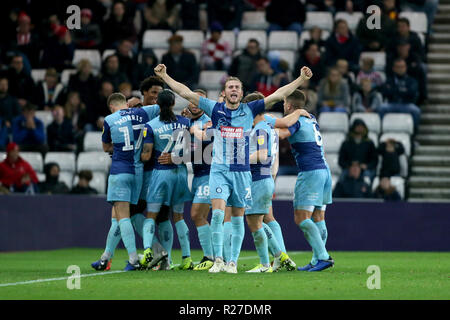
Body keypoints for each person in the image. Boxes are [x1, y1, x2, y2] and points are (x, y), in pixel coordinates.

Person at [155, 62, 313, 274]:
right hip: (219, 170)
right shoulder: (214, 108)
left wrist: (301, 80)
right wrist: (165, 76)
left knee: (238, 218)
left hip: (241, 172)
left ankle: (232, 263)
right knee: (219, 215)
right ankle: (219, 259)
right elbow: (186, 92)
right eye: (230, 87)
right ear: (225, 92)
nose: (234, 90)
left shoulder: (250, 109)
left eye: (237, 87)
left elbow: (277, 94)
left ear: (241, 92)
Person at [92, 92, 162, 271]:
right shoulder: (143, 113)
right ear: (125, 103)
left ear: (112, 107)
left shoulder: (109, 119)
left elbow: (106, 147)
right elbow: (163, 105)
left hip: (120, 170)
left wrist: (118, 148)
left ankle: (132, 259)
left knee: (123, 217)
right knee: (121, 216)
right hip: (137, 173)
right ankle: (105, 257)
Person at [274, 89, 334, 272]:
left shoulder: (297, 120)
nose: (283, 106)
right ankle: (317, 259)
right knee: (318, 217)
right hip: (324, 171)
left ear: (290, 105)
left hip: (310, 173)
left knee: (301, 218)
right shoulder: (311, 117)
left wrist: (260, 127)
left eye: (284, 103)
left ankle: (323, 257)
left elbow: (282, 134)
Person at [243, 92, 297, 273]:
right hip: (265, 176)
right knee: (262, 218)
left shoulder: (260, 128)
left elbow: (263, 154)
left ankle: (267, 263)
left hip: (259, 178)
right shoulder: (266, 125)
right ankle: (280, 256)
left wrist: (239, 159)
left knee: (256, 221)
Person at [140, 90, 193, 270]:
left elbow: (146, 155)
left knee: (152, 215)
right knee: (178, 216)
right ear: (173, 103)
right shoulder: (185, 123)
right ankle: (185, 258)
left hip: (161, 173)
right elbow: (188, 153)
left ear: (158, 104)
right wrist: (175, 157)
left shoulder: (150, 125)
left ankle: (148, 250)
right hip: (180, 172)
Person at [378, 58, 421, 132]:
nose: (400, 69)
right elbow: (385, 92)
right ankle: (381, 131)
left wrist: (396, 90)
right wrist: (403, 91)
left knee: (416, 111)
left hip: (406, 104)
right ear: (394, 68)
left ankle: (414, 133)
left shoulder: (411, 80)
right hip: (392, 104)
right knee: (381, 108)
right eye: (398, 67)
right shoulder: (389, 80)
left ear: (405, 68)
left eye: (402, 67)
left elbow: (412, 93)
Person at [338, 118, 378, 183]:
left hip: (365, 169)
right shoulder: (346, 143)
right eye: (358, 126)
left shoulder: (369, 143)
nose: (360, 128)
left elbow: (375, 160)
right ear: (353, 127)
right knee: (343, 177)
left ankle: (366, 192)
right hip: (349, 168)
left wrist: (366, 166)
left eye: (362, 126)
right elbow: (341, 161)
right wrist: (350, 166)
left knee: (366, 177)